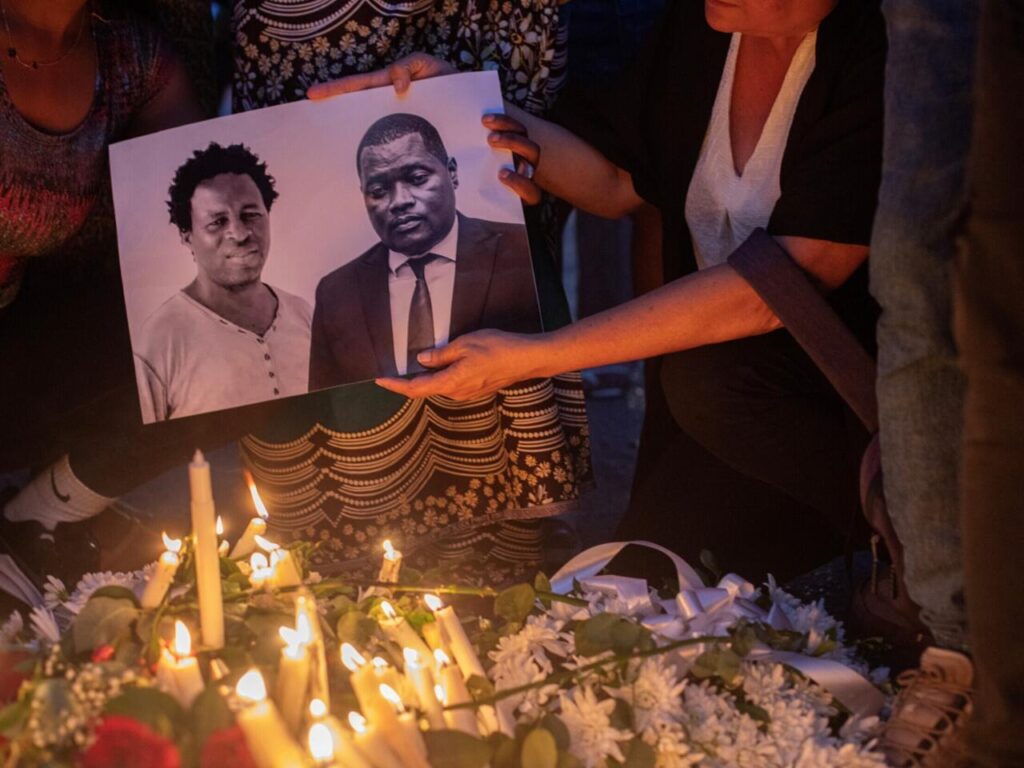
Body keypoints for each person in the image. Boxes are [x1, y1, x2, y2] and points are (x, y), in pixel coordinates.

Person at [311, 0, 885, 581]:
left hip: (834, 405)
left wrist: (536, 355)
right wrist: (459, 110)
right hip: (721, 406)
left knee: (704, 393)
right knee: (633, 580)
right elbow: (617, 182)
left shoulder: (884, 55)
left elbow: (777, 289)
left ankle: (895, 532)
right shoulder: (710, 23)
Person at [0, 0, 205, 585]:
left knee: (244, 328)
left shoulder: (131, 58)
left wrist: (371, 109)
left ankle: (40, 513)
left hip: (19, 342)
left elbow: (205, 193)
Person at [309, 113, 540, 388]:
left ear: (452, 173)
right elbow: (327, 405)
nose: (400, 201)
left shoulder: (518, 249)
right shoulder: (335, 292)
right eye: (379, 190)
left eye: (417, 178)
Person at [134, 142, 312, 422]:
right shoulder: (158, 341)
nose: (240, 234)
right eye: (217, 222)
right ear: (187, 236)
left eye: (251, 215)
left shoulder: (304, 315)